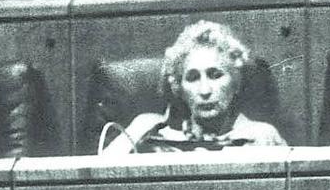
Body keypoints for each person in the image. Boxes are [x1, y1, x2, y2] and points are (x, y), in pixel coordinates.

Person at [102, 21, 287, 154]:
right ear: (178, 87)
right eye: (192, 78)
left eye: (216, 75)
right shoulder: (149, 129)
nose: (205, 90)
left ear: (236, 82)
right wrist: (134, 135)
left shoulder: (262, 136)